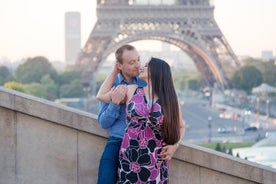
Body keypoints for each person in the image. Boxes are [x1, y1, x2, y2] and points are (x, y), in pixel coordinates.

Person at [97, 57, 185, 183]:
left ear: (157, 71)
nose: (141, 67)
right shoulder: (131, 90)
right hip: (130, 157)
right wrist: (114, 71)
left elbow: (180, 126)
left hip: (155, 159)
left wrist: (174, 145)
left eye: (147, 65)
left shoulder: (170, 100)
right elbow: (101, 96)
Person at [96, 44, 146, 184]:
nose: (137, 65)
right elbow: (103, 123)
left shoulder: (145, 83)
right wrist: (114, 104)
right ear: (119, 65)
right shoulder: (110, 85)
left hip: (140, 143)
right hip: (117, 141)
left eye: (138, 60)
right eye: (131, 62)